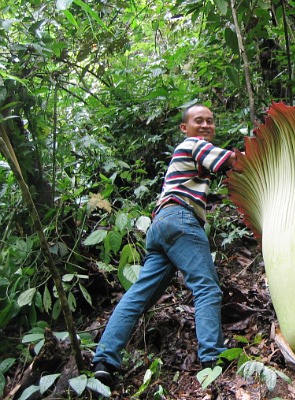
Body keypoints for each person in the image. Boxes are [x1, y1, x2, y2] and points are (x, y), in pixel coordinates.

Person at [92, 104, 237, 386]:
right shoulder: (194, 144)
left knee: (139, 296)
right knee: (206, 287)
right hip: (181, 220)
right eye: (199, 121)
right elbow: (231, 160)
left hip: (160, 226)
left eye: (210, 121)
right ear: (185, 128)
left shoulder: (190, 151)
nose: (206, 125)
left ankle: (104, 359)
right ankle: (212, 357)